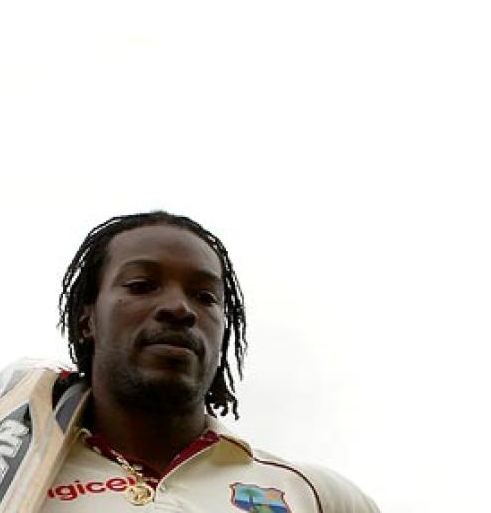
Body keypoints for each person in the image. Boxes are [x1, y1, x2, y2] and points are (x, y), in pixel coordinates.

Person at [42, 210, 379, 512]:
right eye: (142, 285)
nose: (179, 308)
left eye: (205, 297)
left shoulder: (316, 496)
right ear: (86, 320)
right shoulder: (20, 477)